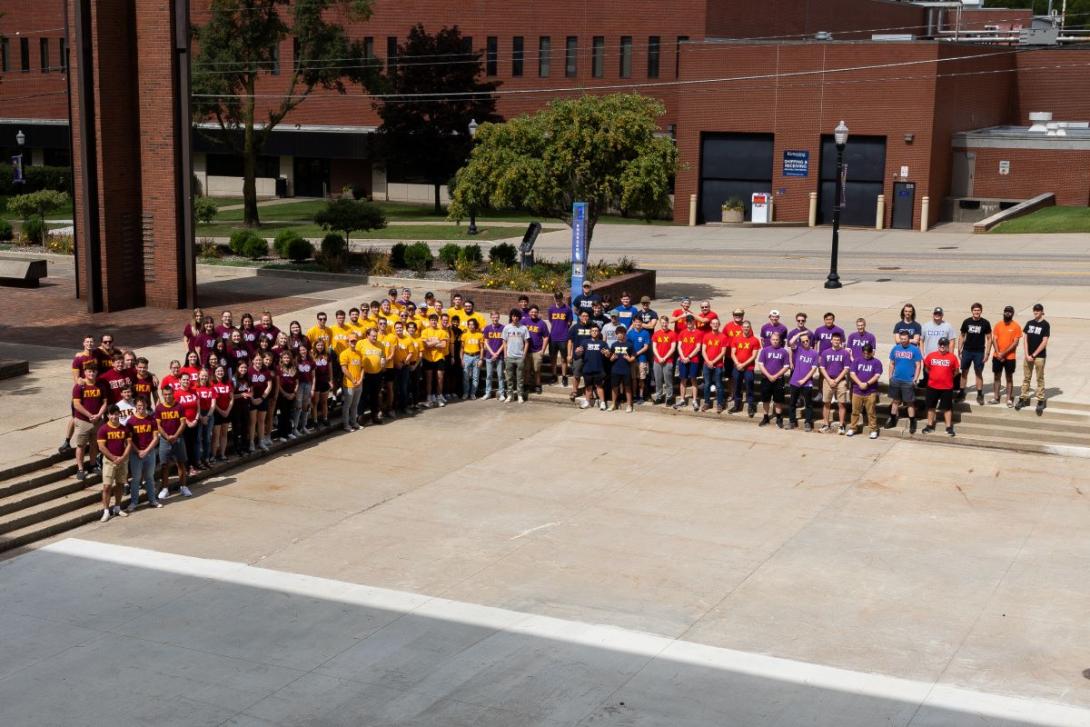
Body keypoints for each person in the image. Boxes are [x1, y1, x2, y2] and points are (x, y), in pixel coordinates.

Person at [154, 385, 191, 499]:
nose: (168, 396)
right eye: (165, 394)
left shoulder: (179, 406)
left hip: (178, 439)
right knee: (164, 465)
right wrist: (166, 436)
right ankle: (165, 488)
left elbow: (183, 423)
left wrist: (175, 436)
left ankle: (183, 487)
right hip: (165, 440)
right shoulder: (159, 408)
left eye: (169, 394)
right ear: (162, 394)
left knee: (181, 463)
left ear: (173, 393)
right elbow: (158, 425)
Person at [96, 405, 132, 522]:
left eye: (116, 414)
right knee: (107, 486)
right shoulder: (103, 429)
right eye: (111, 414)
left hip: (122, 460)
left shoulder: (124, 429)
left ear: (119, 414)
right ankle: (106, 510)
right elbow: (101, 447)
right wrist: (113, 458)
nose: (114, 416)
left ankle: (117, 507)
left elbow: (129, 445)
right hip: (108, 462)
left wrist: (123, 457)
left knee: (120, 484)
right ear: (108, 416)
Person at [72, 364, 106, 481]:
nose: (91, 374)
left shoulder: (100, 386)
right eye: (89, 371)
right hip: (83, 421)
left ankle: (93, 464)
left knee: (94, 444)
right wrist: (89, 415)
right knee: (81, 445)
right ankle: (80, 469)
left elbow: (104, 403)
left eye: (94, 371)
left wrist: (98, 415)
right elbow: (77, 404)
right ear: (85, 372)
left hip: (97, 420)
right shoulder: (79, 386)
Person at [126, 397, 162, 510]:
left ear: (146, 406)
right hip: (135, 454)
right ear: (135, 407)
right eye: (139, 406)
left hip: (149, 453)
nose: (141, 408)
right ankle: (134, 502)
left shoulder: (152, 420)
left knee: (150, 478)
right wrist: (138, 451)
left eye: (143, 406)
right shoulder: (130, 421)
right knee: (136, 479)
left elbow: (155, 438)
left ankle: (152, 500)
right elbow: (129, 441)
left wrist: (146, 451)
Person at [886, 331, 923, 434]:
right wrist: (890, 377)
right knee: (895, 401)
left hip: (908, 381)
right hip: (896, 379)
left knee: (910, 402)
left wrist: (915, 379)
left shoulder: (914, 350)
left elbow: (918, 365)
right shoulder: (895, 348)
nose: (903, 341)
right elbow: (891, 364)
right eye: (901, 339)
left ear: (908, 338)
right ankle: (892, 419)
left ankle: (912, 422)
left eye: (905, 339)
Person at [922, 337, 960, 437]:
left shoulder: (952, 357)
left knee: (947, 408)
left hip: (947, 387)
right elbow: (926, 368)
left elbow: (956, 371)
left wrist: (948, 377)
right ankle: (930, 425)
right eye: (941, 344)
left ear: (948, 346)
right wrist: (933, 376)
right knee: (931, 407)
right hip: (932, 386)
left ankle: (948, 427)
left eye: (944, 344)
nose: (942, 346)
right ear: (938, 345)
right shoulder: (931, 356)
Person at [1016, 303, 1050, 415]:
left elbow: (1044, 342)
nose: (1036, 312)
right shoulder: (1029, 323)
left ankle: (1040, 400)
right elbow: (1025, 339)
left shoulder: (1045, 325)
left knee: (1039, 378)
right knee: (1026, 377)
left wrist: (1034, 355)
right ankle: (1023, 398)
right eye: (1035, 310)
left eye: (1038, 311)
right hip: (1028, 356)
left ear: (1042, 312)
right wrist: (1026, 354)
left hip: (1039, 357)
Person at [957, 303, 992, 405]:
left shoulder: (985, 323)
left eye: (978, 310)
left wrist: (987, 353)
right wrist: (959, 349)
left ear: (981, 311)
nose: (976, 312)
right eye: (975, 310)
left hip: (979, 352)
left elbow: (989, 339)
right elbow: (962, 335)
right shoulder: (966, 322)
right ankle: (961, 392)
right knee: (964, 372)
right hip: (967, 351)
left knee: (978, 373)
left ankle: (980, 394)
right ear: (972, 311)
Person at [847, 343, 883, 439]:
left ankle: (873, 430)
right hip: (857, 391)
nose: (866, 355)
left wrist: (867, 384)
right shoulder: (857, 361)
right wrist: (860, 383)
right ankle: (853, 428)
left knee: (871, 412)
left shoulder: (877, 362)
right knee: (855, 411)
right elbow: (852, 373)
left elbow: (877, 375)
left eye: (868, 353)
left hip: (870, 391)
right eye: (864, 353)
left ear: (872, 352)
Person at [755, 332, 791, 428]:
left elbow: (786, 366)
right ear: (770, 340)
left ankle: (779, 418)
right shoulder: (765, 351)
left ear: (779, 341)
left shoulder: (784, 352)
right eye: (773, 339)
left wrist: (775, 376)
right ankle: (766, 417)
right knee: (765, 399)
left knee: (778, 400)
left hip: (778, 380)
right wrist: (769, 375)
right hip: (766, 379)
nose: (775, 341)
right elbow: (761, 364)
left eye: (777, 340)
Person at [819, 333, 851, 434]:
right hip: (828, 380)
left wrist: (836, 380)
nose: (836, 341)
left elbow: (846, 368)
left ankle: (841, 425)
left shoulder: (845, 353)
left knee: (841, 403)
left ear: (840, 341)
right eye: (834, 340)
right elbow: (822, 368)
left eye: (838, 340)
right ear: (831, 341)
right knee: (826, 403)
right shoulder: (825, 353)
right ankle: (825, 424)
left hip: (840, 381)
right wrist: (829, 380)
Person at [787, 333, 820, 431]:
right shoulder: (798, 350)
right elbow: (791, 342)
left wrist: (804, 380)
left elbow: (813, 370)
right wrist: (800, 334)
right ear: (800, 343)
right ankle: (792, 422)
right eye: (803, 341)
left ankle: (808, 423)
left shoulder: (814, 353)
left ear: (810, 341)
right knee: (792, 403)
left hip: (807, 383)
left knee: (808, 404)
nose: (805, 342)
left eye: (807, 340)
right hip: (795, 381)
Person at [991, 305, 1022, 407]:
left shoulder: (1016, 326)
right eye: (1006, 311)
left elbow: (1015, 343)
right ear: (1003, 312)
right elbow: (994, 339)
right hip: (997, 356)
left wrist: (1003, 354)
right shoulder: (998, 325)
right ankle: (996, 397)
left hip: (1010, 357)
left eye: (1009, 312)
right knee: (996, 376)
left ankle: (1009, 399)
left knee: (1009, 378)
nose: (1007, 313)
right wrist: (998, 353)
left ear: (1012, 314)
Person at [730, 320, 760, 416]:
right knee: (737, 386)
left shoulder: (755, 340)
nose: (746, 328)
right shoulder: (736, 338)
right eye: (744, 327)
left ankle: (750, 406)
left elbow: (754, 356)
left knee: (749, 386)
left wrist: (743, 365)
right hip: (737, 367)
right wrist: (738, 364)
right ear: (741, 328)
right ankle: (737, 405)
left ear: (750, 328)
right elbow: (732, 353)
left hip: (749, 368)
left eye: (748, 327)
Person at [674, 315, 703, 411]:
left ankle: (694, 400)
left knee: (694, 379)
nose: (689, 323)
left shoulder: (698, 333)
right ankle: (682, 399)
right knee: (683, 379)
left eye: (691, 322)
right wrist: (683, 357)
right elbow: (679, 346)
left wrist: (689, 357)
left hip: (693, 360)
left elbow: (698, 347)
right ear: (686, 323)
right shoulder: (682, 333)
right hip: (683, 360)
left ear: (694, 322)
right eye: (688, 322)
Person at [356, 328, 386, 424]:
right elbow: (356, 356)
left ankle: (374, 416)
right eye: (373, 336)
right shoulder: (361, 343)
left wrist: (383, 361)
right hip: (365, 374)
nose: (375, 337)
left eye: (376, 336)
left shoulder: (380, 345)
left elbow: (383, 357)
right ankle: (360, 416)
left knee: (375, 396)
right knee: (363, 396)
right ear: (367, 336)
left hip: (377, 374)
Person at [700, 318, 728, 413]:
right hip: (706, 364)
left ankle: (719, 404)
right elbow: (703, 350)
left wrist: (713, 362)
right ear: (711, 325)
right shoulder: (706, 336)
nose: (715, 325)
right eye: (713, 323)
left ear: (719, 325)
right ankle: (707, 403)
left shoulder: (723, 337)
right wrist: (708, 361)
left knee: (719, 385)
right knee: (707, 384)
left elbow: (723, 352)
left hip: (718, 365)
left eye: (717, 323)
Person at [421, 314, 450, 407]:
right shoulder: (425, 331)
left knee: (440, 379)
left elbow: (444, 345)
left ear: (437, 321)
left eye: (435, 320)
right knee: (429, 379)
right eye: (432, 320)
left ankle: (439, 397)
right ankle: (429, 397)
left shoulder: (442, 332)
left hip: (439, 357)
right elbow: (426, 345)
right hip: (428, 358)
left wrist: (431, 343)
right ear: (429, 321)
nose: (433, 322)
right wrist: (437, 342)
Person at [502, 309, 530, 403]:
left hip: (520, 357)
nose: (515, 318)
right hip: (509, 357)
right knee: (509, 377)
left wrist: (524, 355)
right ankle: (510, 395)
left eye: (517, 316)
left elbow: (526, 342)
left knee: (520, 378)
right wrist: (505, 354)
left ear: (519, 317)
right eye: (514, 316)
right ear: (511, 317)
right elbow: (504, 342)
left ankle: (520, 395)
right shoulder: (507, 328)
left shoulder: (524, 328)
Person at [338, 332, 364, 430]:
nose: (353, 342)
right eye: (351, 341)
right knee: (347, 405)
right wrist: (353, 380)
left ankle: (354, 422)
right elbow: (344, 369)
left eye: (354, 340)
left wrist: (360, 380)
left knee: (355, 404)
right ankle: (346, 424)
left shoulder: (359, 353)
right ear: (348, 342)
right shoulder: (344, 354)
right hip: (349, 384)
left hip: (358, 384)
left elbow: (362, 368)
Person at [567, 310, 593, 402]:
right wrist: (569, 355)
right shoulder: (575, 327)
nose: (584, 317)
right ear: (579, 317)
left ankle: (588, 391)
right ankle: (574, 391)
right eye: (583, 315)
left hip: (589, 356)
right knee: (576, 374)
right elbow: (570, 341)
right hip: (578, 356)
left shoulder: (592, 327)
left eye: (586, 316)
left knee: (588, 375)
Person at [607, 325, 635, 412]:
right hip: (615, 369)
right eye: (618, 333)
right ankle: (613, 404)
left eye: (621, 333)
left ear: (624, 334)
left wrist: (629, 359)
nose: (619, 335)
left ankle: (629, 405)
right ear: (616, 335)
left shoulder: (629, 345)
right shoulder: (613, 345)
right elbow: (611, 358)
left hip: (626, 369)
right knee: (614, 387)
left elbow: (634, 356)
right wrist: (612, 359)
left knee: (627, 388)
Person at [547, 292, 572, 386]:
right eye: (556, 298)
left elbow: (569, 322)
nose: (558, 300)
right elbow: (550, 320)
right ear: (554, 298)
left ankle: (564, 376)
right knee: (553, 357)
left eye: (559, 298)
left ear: (562, 298)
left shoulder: (567, 309)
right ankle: (554, 375)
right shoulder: (551, 309)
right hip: (553, 337)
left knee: (563, 358)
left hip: (563, 337)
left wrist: (563, 329)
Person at [522, 305, 550, 395]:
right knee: (526, 370)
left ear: (538, 313)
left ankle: (538, 385)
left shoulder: (542, 323)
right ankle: (526, 386)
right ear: (529, 312)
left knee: (536, 370)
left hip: (537, 350)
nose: (533, 313)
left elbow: (546, 337)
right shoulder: (524, 321)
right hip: (526, 351)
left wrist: (543, 350)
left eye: (535, 312)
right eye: (532, 312)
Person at [579, 325, 608, 410]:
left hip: (598, 369)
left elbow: (608, 354)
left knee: (599, 386)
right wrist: (578, 351)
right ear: (590, 332)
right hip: (587, 368)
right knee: (588, 387)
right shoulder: (585, 342)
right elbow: (579, 352)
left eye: (596, 331)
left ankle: (603, 403)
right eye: (593, 331)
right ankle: (587, 402)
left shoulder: (602, 343)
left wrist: (606, 353)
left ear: (599, 332)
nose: (594, 332)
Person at [249, 354, 274, 449]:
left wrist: (262, 398)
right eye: (256, 360)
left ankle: (261, 441)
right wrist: (252, 399)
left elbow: (269, 386)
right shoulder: (249, 371)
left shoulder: (266, 371)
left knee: (261, 421)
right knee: (252, 422)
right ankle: (251, 442)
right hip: (252, 399)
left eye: (260, 360)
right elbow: (248, 386)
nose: (258, 362)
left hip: (263, 399)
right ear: (253, 361)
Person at [209, 365, 233, 461]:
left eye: (222, 371)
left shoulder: (228, 383)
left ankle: (222, 454)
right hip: (216, 412)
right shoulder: (211, 383)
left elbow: (231, 398)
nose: (220, 372)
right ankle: (213, 455)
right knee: (216, 435)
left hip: (226, 412)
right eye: (218, 371)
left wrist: (227, 410)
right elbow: (212, 400)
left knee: (224, 434)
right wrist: (220, 411)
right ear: (214, 373)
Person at [650, 317, 676, 406]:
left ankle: (669, 397)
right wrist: (659, 357)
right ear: (660, 323)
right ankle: (659, 396)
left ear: (668, 323)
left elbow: (673, 348)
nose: (664, 324)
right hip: (657, 360)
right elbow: (654, 347)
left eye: (665, 322)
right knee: (658, 380)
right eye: (662, 323)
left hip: (668, 360)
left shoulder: (672, 334)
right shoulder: (656, 334)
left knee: (668, 380)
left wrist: (664, 357)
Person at [194, 368, 217, 467]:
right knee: (198, 439)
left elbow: (213, 404)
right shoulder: (194, 388)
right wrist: (200, 417)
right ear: (199, 376)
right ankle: (198, 460)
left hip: (209, 414)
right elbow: (194, 405)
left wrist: (207, 416)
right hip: (198, 414)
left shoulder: (211, 388)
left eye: (206, 376)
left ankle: (206, 458)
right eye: (202, 375)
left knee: (207, 438)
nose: (204, 377)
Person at [626, 317, 651, 403]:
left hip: (642, 359)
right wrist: (631, 356)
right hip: (632, 360)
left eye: (639, 322)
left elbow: (646, 347)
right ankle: (634, 396)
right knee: (633, 379)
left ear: (642, 323)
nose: (638, 324)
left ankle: (641, 396)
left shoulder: (645, 333)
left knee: (641, 378)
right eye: (636, 322)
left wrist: (636, 354)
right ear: (633, 322)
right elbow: (628, 347)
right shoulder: (630, 334)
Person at [482, 311, 506, 401]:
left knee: (500, 376)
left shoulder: (503, 328)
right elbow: (486, 342)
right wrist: (492, 353)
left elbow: (504, 343)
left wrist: (497, 353)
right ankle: (487, 393)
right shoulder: (487, 328)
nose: (495, 319)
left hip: (499, 356)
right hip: (489, 356)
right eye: (493, 317)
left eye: (497, 317)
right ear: (491, 317)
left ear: (499, 317)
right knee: (489, 376)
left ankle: (502, 393)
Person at [311, 339, 332, 425]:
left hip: (324, 381)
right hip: (316, 382)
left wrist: (331, 380)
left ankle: (325, 418)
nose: (320, 347)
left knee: (324, 402)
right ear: (315, 346)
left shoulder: (327, 355)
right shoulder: (312, 356)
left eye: (322, 345)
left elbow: (330, 369)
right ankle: (315, 420)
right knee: (315, 402)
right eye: (318, 345)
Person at [461, 318, 484, 400]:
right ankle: (466, 393)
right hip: (467, 356)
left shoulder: (480, 335)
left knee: (475, 377)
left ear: (475, 325)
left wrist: (481, 359)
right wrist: (462, 359)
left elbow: (481, 348)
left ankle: (473, 393)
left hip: (476, 357)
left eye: (473, 324)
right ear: (468, 326)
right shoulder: (464, 335)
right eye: (469, 324)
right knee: (466, 377)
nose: (471, 326)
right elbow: (462, 348)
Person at [294, 346, 314, 433]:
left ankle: (304, 426)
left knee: (305, 405)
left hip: (308, 384)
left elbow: (314, 375)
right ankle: (295, 428)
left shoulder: (311, 361)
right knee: (298, 406)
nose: (303, 351)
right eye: (301, 350)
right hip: (300, 385)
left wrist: (313, 387)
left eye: (304, 349)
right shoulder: (296, 361)